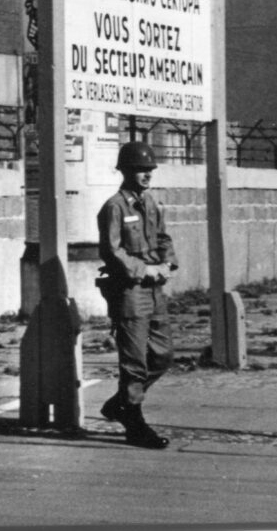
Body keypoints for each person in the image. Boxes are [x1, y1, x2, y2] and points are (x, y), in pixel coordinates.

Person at [96, 141, 178, 449]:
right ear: (126, 171)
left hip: (155, 289)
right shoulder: (115, 206)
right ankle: (134, 422)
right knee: (134, 361)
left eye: (149, 170)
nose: (146, 175)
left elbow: (163, 236)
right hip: (129, 290)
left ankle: (120, 403)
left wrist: (168, 261)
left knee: (162, 355)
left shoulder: (151, 203)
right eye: (140, 170)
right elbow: (111, 250)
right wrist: (145, 270)